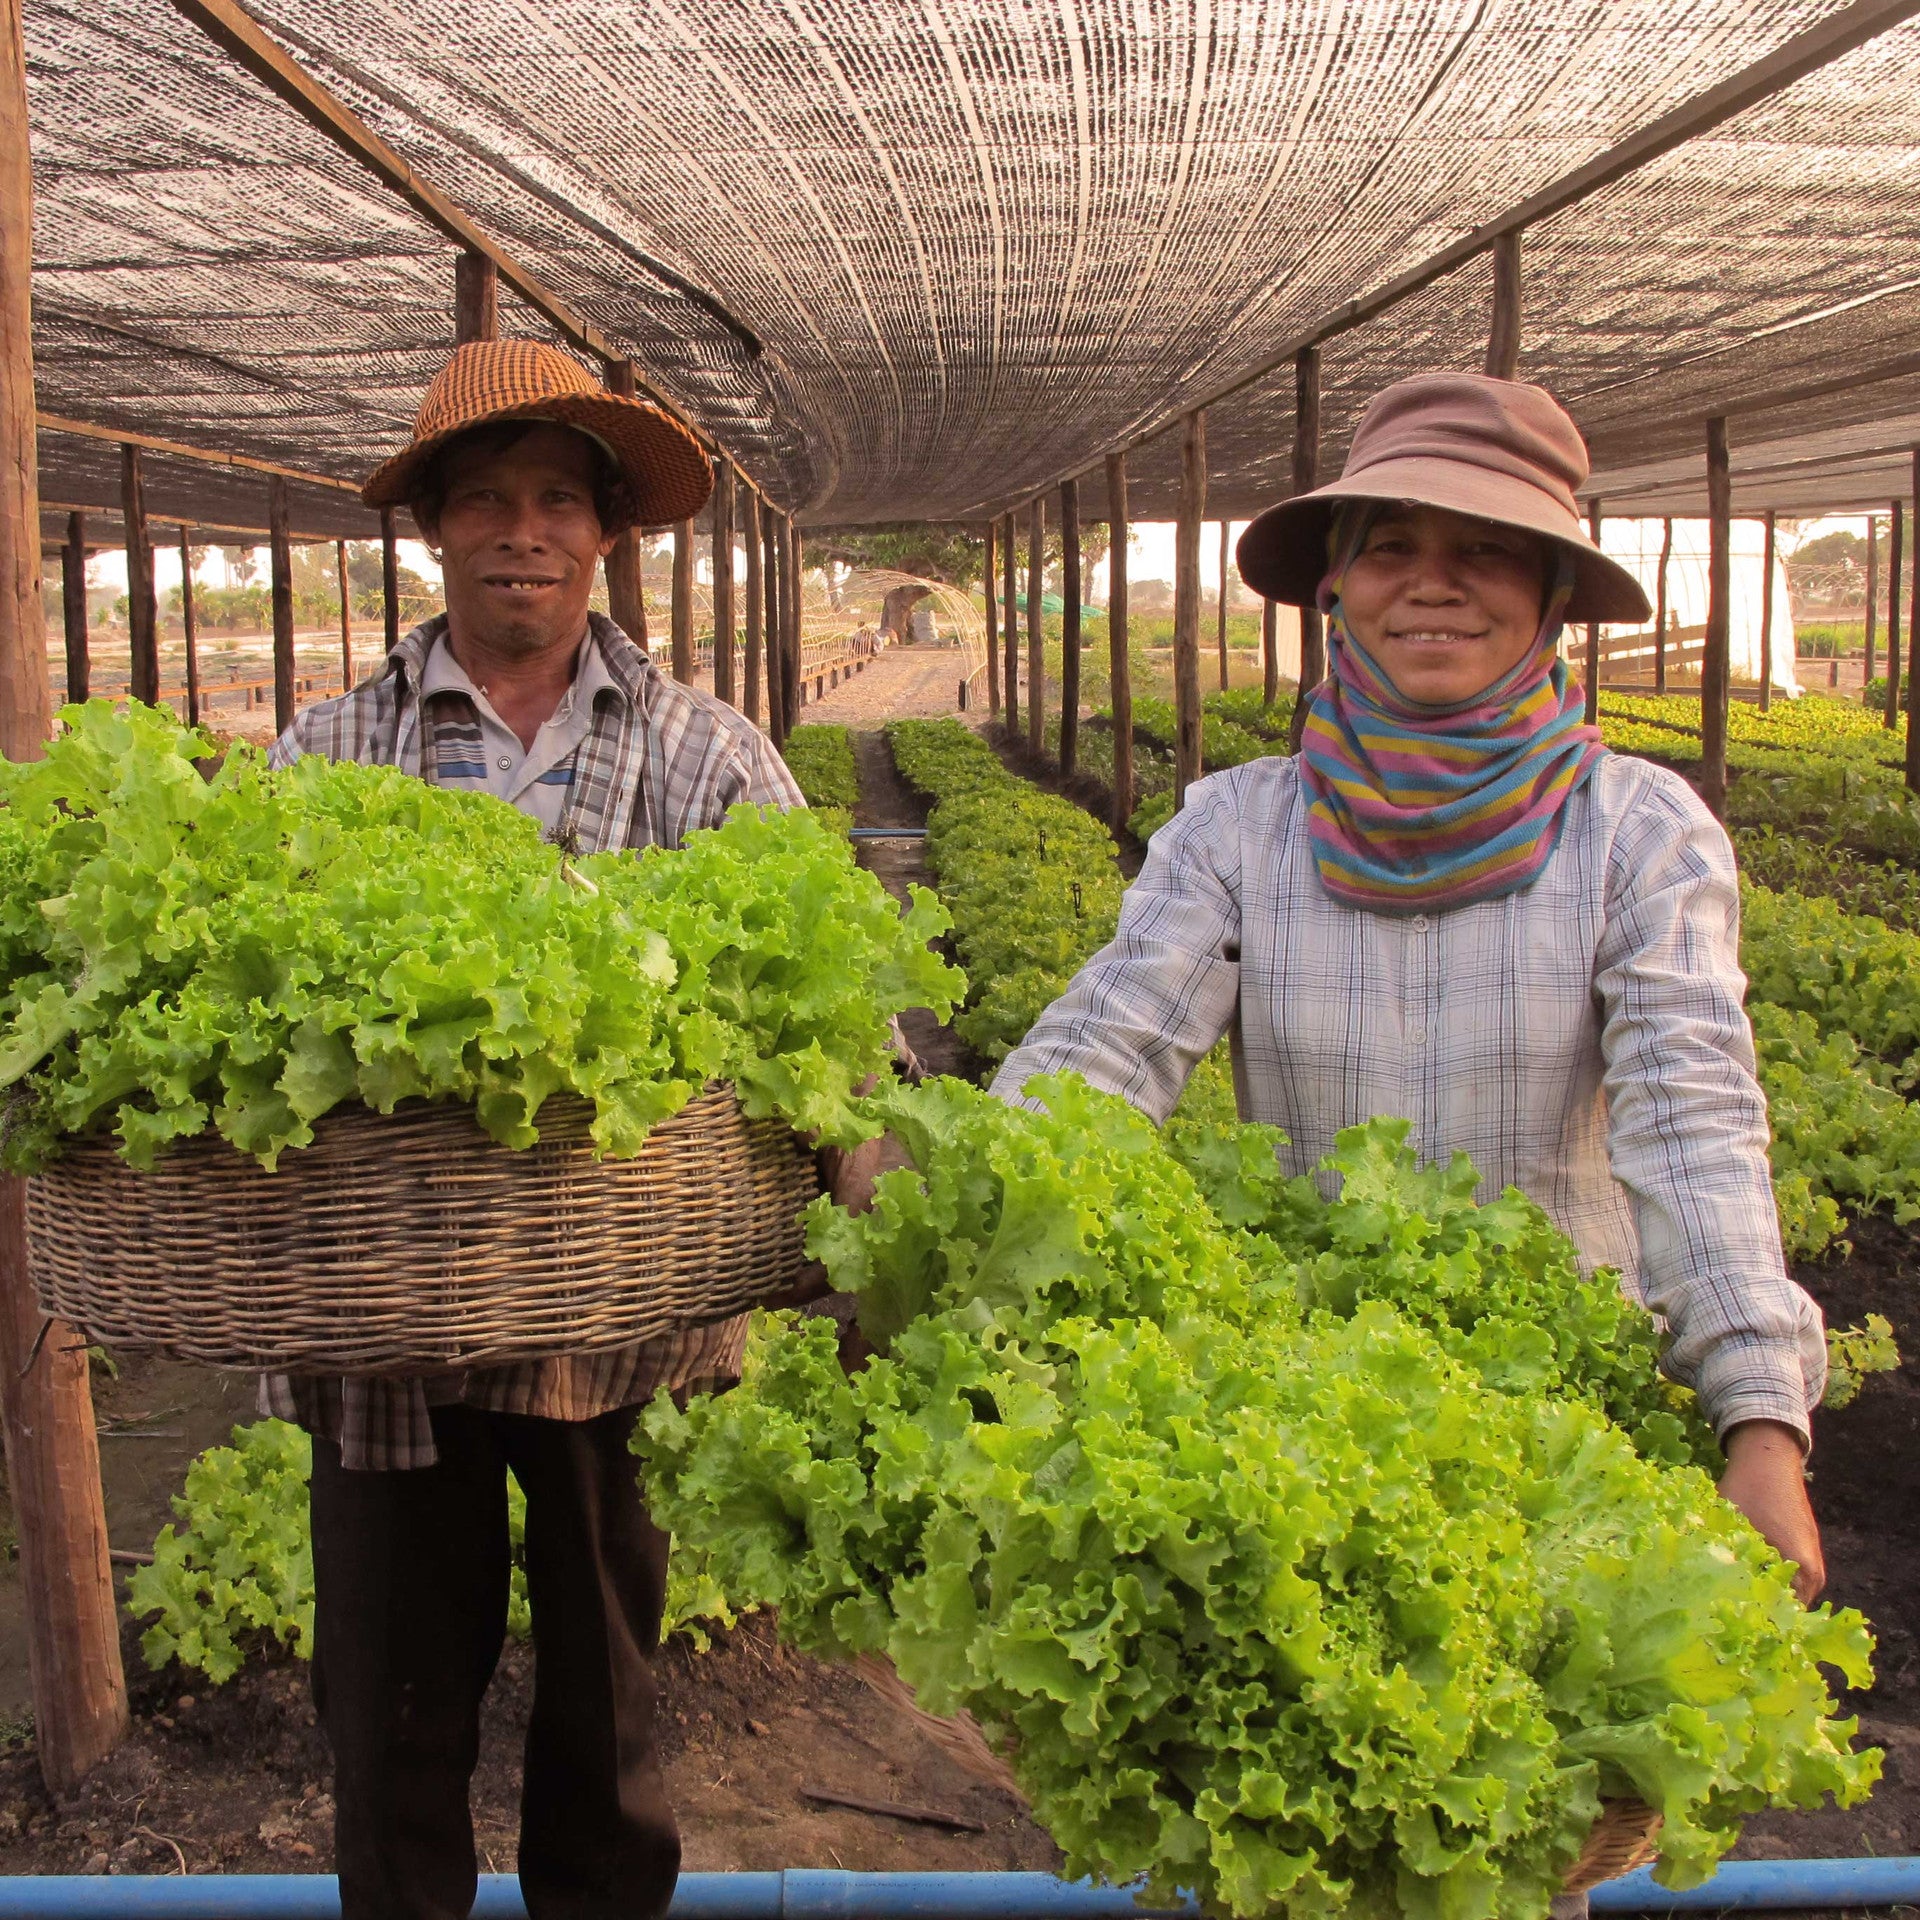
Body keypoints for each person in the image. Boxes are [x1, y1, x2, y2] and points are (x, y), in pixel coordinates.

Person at [991, 372, 1828, 1614]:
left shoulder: (1640, 834)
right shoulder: (1239, 828)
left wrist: (1760, 1417)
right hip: (1291, 1426)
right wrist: (969, 1199)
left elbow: (1692, 1117)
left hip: (1569, 1446)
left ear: (1551, 598)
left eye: (1488, 551)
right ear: (1336, 584)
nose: (1433, 582)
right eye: (1391, 547)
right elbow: (1107, 1052)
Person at [266, 337, 859, 1920]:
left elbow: (829, 996)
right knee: (388, 1711)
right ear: (435, 532)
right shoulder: (327, 753)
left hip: (619, 1323)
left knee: (611, 1716)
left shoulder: (707, 752)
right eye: (483, 501)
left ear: (604, 534)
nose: (518, 530)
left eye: (552, 500)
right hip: (382, 1322)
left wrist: (873, 1172)